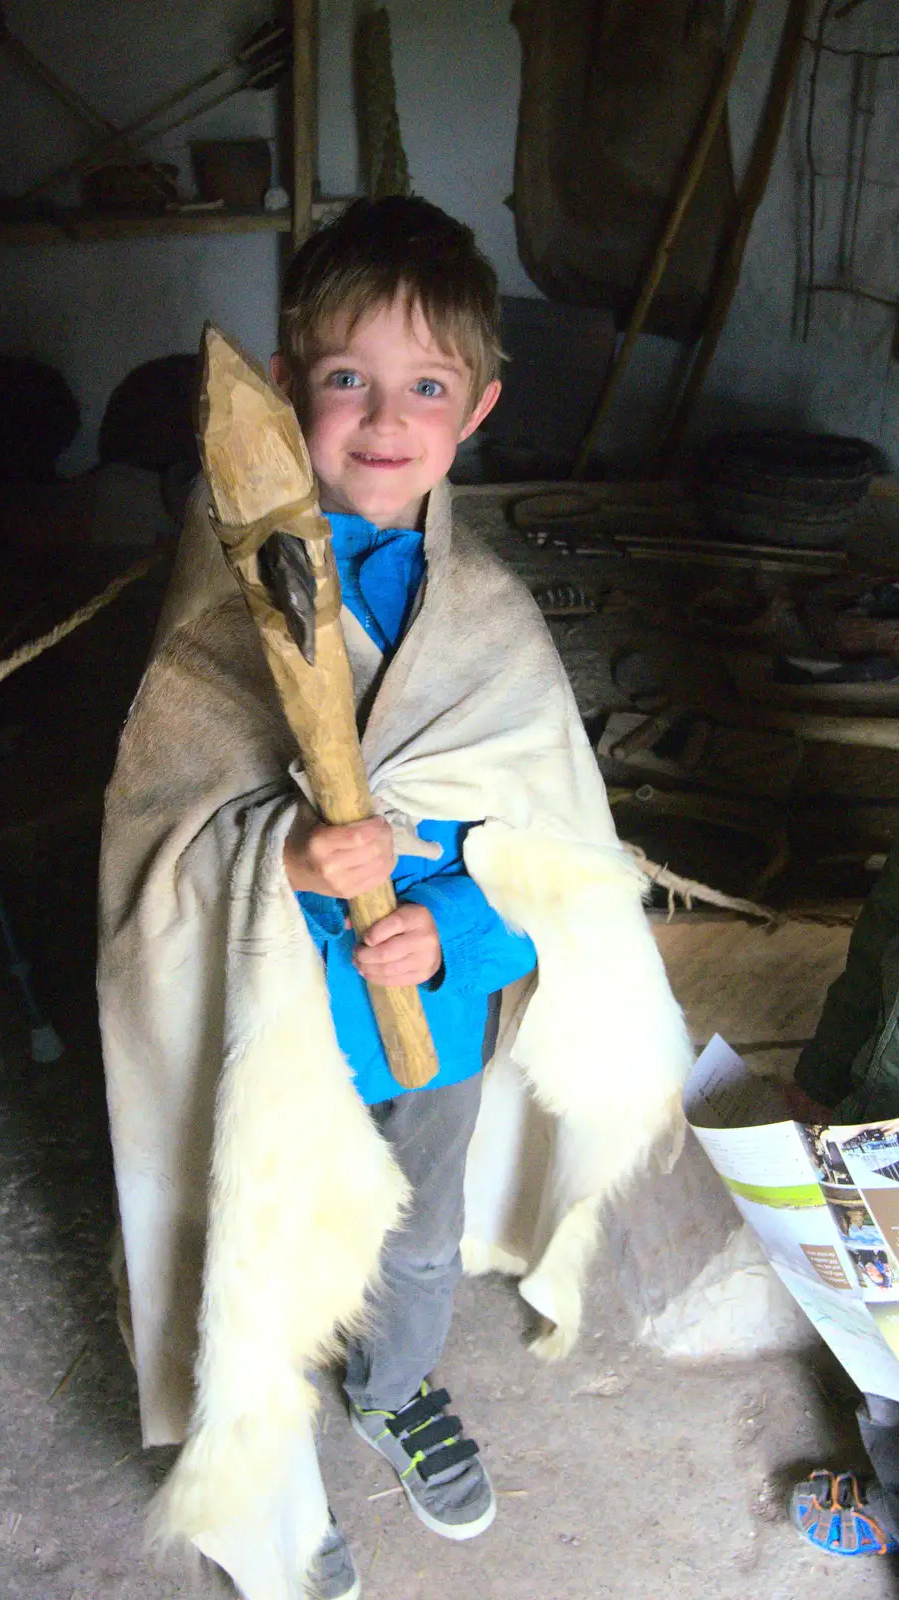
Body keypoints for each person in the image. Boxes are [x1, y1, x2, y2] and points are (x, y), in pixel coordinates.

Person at [98, 196, 690, 1600]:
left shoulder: (489, 617)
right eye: (345, 377)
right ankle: (269, 1481)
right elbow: (161, 838)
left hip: (431, 1028)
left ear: (476, 409)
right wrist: (289, 864)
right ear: (287, 387)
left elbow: (552, 850)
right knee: (256, 1245)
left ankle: (398, 1386)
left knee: (411, 1244)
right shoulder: (219, 603)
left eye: (424, 384)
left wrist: (455, 936)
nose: (382, 415)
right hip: (273, 1031)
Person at [787, 840, 899, 1559]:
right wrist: (822, 1078)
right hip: (880, 1113)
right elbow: (877, 943)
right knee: (886, 1324)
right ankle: (895, 1491)